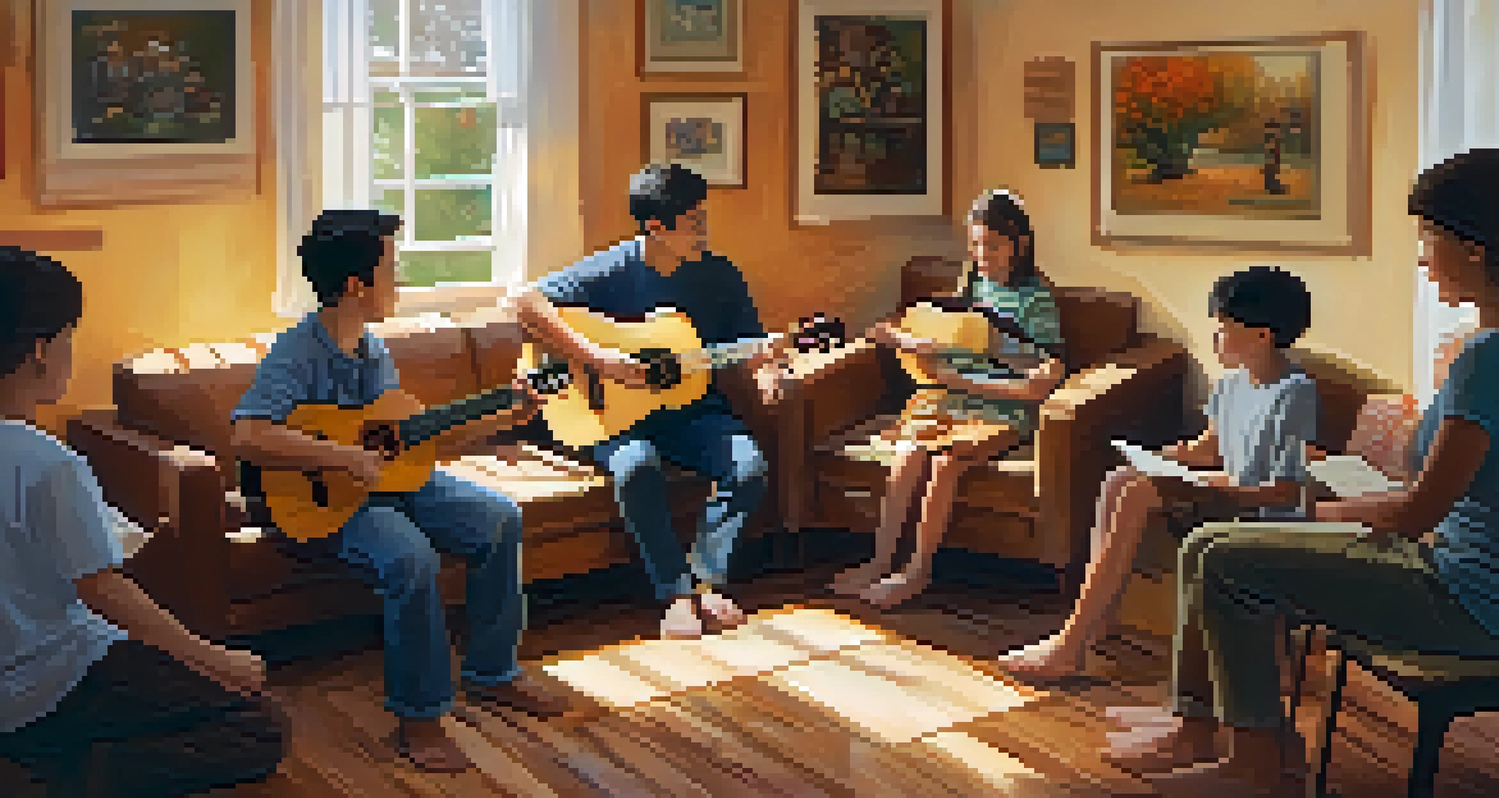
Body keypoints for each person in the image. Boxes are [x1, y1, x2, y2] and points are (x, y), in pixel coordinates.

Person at [1103, 148, 1499, 797]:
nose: (1422, 258)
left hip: (1474, 602)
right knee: (1206, 545)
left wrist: (1316, 512)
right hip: (1490, 587)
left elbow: (1419, 512)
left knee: (1224, 559)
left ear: (1473, 248)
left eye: (1429, 238)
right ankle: (1208, 731)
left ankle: (1258, 766)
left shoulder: (1490, 359)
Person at [230, 210, 569, 774]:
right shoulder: (297, 352)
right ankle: (419, 717)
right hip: (328, 502)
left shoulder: (372, 350)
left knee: (498, 517)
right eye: (392, 270)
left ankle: (492, 672)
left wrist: (503, 417)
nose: (400, 282)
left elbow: (409, 443)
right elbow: (248, 434)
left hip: (389, 482)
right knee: (409, 558)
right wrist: (342, 457)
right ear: (357, 285)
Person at [0, 247, 288, 796]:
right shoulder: (48, 462)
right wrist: (217, 659)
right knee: (258, 725)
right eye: (68, 339)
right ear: (40, 350)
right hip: (52, 681)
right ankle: (58, 778)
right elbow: (103, 589)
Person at [510, 164, 794, 639]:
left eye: (704, 218)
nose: (703, 230)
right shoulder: (614, 267)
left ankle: (708, 581)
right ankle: (675, 593)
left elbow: (748, 346)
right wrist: (601, 359)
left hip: (693, 413)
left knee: (748, 466)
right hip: (614, 418)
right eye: (693, 221)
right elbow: (524, 302)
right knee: (636, 465)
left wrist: (769, 372)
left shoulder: (720, 276)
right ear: (656, 227)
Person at [1001, 265, 1319, 681]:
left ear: (1262, 336)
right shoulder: (1232, 385)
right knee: (1118, 480)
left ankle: (1069, 645)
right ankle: (1101, 616)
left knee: (1136, 494)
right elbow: (1208, 448)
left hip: (1258, 511)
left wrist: (1203, 484)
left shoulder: (1294, 393)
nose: (1215, 337)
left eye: (1223, 327)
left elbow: (1284, 490)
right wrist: (1162, 457)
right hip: (1224, 495)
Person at [828, 189, 1068, 608]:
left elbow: (1040, 373)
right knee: (908, 450)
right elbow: (950, 338)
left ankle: (916, 572)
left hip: (1002, 406)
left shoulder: (1036, 298)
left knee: (945, 459)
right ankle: (881, 561)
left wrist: (964, 378)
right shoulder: (972, 286)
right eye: (975, 245)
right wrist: (911, 343)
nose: (981, 255)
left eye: (992, 245)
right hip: (950, 397)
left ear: (1019, 244)